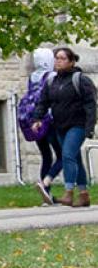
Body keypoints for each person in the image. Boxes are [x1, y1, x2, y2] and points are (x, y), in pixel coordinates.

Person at [32, 46, 96, 207]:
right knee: (75, 159)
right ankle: (83, 195)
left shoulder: (80, 80)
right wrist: (37, 118)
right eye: (56, 58)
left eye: (62, 58)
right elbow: (43, 102)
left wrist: (89, 127)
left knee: (67, 155)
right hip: (60, 125)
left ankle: (68, 192)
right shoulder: (51, 81)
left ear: (71, 62)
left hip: (78, 125)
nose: (58, 61)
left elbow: (91, 105)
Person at [22, 49, 63, 205]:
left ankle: (46, 196)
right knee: (62, 155)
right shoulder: (51, 76)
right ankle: (46, 182)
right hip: (49, 120)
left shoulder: (33, 77)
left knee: (46, 155)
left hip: (35, 121)